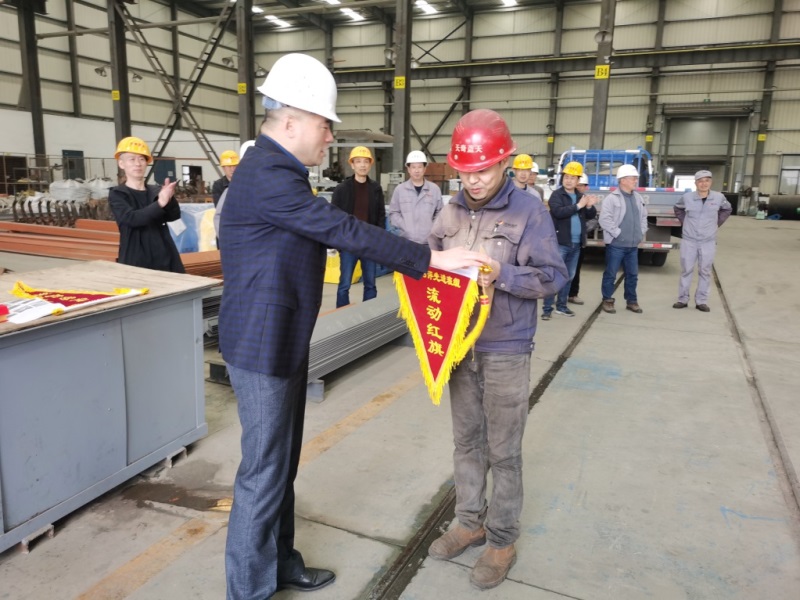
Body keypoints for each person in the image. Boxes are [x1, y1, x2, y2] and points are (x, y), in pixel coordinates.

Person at [218, 52, 487, 600]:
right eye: (324, 125)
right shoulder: (268, 174)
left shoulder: (279, 171)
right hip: (262, 345)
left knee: (279, 468)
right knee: (263, 474)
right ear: (290, 122)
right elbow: (341, 228)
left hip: (281, 339)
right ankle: (248, 591)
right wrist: (431, 259)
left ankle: (279, 563)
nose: (330, 137)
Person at [427, 109, 567, 591]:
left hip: (506, 345)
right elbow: (428, 266)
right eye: (465, 170)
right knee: (466, 442)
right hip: (458, 345)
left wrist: (500, 274)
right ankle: (469, 522)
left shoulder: (529, 211)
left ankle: (502, 539)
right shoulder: (448, 211)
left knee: (503, 450)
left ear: (505, 162)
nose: (474, 180)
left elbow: (553, 277)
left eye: (484, 169)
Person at [108, 136, 185, 274]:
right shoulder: (118, 194)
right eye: (132, 159)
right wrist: (160, 203)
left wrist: (170, 198)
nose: (138, 164)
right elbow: (132, 219)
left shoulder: (155, 191)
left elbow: (174, 215)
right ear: (121, 164)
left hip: (164, 255)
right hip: (136, 258)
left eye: (142, 159)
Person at [541, 162, 599, 320]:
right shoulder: (557, 195)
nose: (568, 180)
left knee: (568, 277)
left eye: (572, 178)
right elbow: (558, 212)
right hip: (560, 243)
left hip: (576, 244)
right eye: (566, 177)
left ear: (578, 180)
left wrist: (589, 206)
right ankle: (547, 308)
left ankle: (561, 306)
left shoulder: (580, 196)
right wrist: (578, 206)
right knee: (554, 276)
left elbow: (589, 215)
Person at [332, 146, 384, 307]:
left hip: (369, 243)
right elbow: (334, 217)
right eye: (358, 161)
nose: (362, 165)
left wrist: (378, 241)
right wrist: (339, 243)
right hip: (349, 243)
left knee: (370, 284)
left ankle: (369, 315)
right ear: (352, 164)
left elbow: (380, 215)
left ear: (370, 164)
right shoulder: (342, 189)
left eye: (366, 162)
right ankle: (342, 314)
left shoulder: (375, 189)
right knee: (344, 285)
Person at [673, 170, 732, 312]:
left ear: (711, 182)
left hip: (708, 241)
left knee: (705, 271)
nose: (703, 184)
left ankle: (701, 301)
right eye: (700, 181)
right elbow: (678, 208)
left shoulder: (719, 197)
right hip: (689, 240)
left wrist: (717, 223)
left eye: (707, 180)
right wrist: (685, 222)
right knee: (686, 270)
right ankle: (682, 299)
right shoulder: (687, 197)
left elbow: (727, 209)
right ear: (695, 183)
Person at [599, 164, 648, 314]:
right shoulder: (611, 198)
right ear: (623, 180)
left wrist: (640, 232)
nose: (636, 181)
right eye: (633, 178)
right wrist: (617, 234)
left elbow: (643, 217)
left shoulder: (638, 197)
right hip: (616, 245)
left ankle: (631, 301)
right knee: (610, 274)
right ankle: (607, 300)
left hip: (633, 246)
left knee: (632, 275)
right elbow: (604, 219)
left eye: (636, 178)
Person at [388, 150, 443, 244]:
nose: (416, 170)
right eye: (413, 167)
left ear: (424, 169)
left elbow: (440, 213)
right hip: (406, 241)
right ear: (408, 169)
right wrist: (404, 227)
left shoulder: (434, 189)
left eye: (420, 167)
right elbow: (393, 213)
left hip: (428, 242)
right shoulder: (400, 190)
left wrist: (432, 228)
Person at [214, 141, 255, 243]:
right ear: (223, 167)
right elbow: (220, 211)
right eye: (229, 166)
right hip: (227, 228)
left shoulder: (245, 182)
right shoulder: (218, 186)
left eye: (235, 166)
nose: (232, 169)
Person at [568, 173, 593, 305]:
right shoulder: (566, 198)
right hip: (564, 241)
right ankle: (556, 294)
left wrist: (581, 229)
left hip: (579, 241)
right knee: (559, 269)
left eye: (582, 185)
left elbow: (592, 218)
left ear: (585, 187)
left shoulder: (585, 199)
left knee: (575, 270)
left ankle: (573, 294)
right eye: (577, 185)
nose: (579, 187)